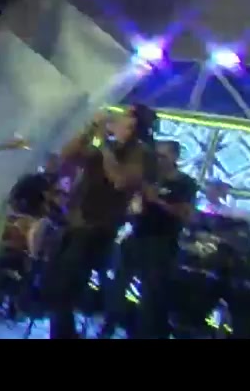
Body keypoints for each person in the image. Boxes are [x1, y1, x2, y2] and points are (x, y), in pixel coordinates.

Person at [44, 104, 156, 339]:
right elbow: (67, 156)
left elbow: (120, 180)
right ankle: (65, 333)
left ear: (135, 124)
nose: (118, 117)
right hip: (76, 222)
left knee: (66, 287)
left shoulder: (141, 152)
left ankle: (68, 334)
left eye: (125, 115)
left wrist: (104, 144)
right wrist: (91, 128)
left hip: (98, 228)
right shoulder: (109, 147)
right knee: (56, 285)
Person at [97, 140, 197, 339]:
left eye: (163, 156)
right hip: (137, 235)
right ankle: (109, 324)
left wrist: (158, 201)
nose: (158, 160)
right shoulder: (148, 178)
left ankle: (142, 332)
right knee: (117, 283)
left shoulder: (184, 183)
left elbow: (186, 214)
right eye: (156, 156)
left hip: (161, 242)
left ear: (175, 157)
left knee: (150, 293)